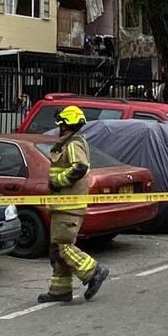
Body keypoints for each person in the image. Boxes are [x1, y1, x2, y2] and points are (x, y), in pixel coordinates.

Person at [39, 105, 109, 304]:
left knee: (62, 247)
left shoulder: (73, 143)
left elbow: (80, 167)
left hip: (69, 206)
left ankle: (94, 271)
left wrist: (57, 181)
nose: (59, 127)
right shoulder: (68, 142)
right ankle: (60, 290)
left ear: (66, 124)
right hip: (62, 205)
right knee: (57, 250)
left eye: (61, 124)